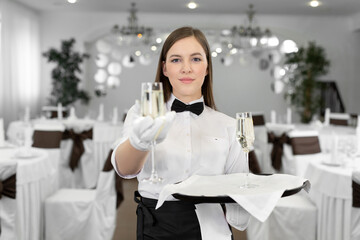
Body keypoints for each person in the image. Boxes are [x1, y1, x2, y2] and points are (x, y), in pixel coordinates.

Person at [111, 26, 250, 240]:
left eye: (195, 59)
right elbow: (125, 170)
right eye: (176, 60)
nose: (186, 68)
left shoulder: (229, 126)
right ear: (165, 68)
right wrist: (140, 143)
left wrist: (255, 196)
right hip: (155, 226)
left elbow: (239, 197)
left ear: (207, 68)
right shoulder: (142, 113)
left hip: (211, 231)